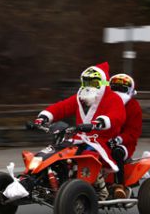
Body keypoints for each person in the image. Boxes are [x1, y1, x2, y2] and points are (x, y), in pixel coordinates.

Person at [34, 62, 126, 200]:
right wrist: (45, 117)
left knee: (87, 154)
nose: (88, 87)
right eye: (86, 82)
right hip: (80, 137)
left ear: (102, 83)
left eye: (93, 83)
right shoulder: (79, 99)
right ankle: (50, 179)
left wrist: (100, 122)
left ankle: (101, 190)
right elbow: (62, 107)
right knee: (58, 151)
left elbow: (118, 116)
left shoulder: (113, 99)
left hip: (102, 139)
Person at [108, 73, 143, 199]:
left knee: (116, 152)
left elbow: (133, 132)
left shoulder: (134, 107)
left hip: (125, 144)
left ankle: (119, 186)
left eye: (121, 89)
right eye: (114, 88)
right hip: (102, 139)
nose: (116, 92)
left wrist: (118, 140)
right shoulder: (103, 104)